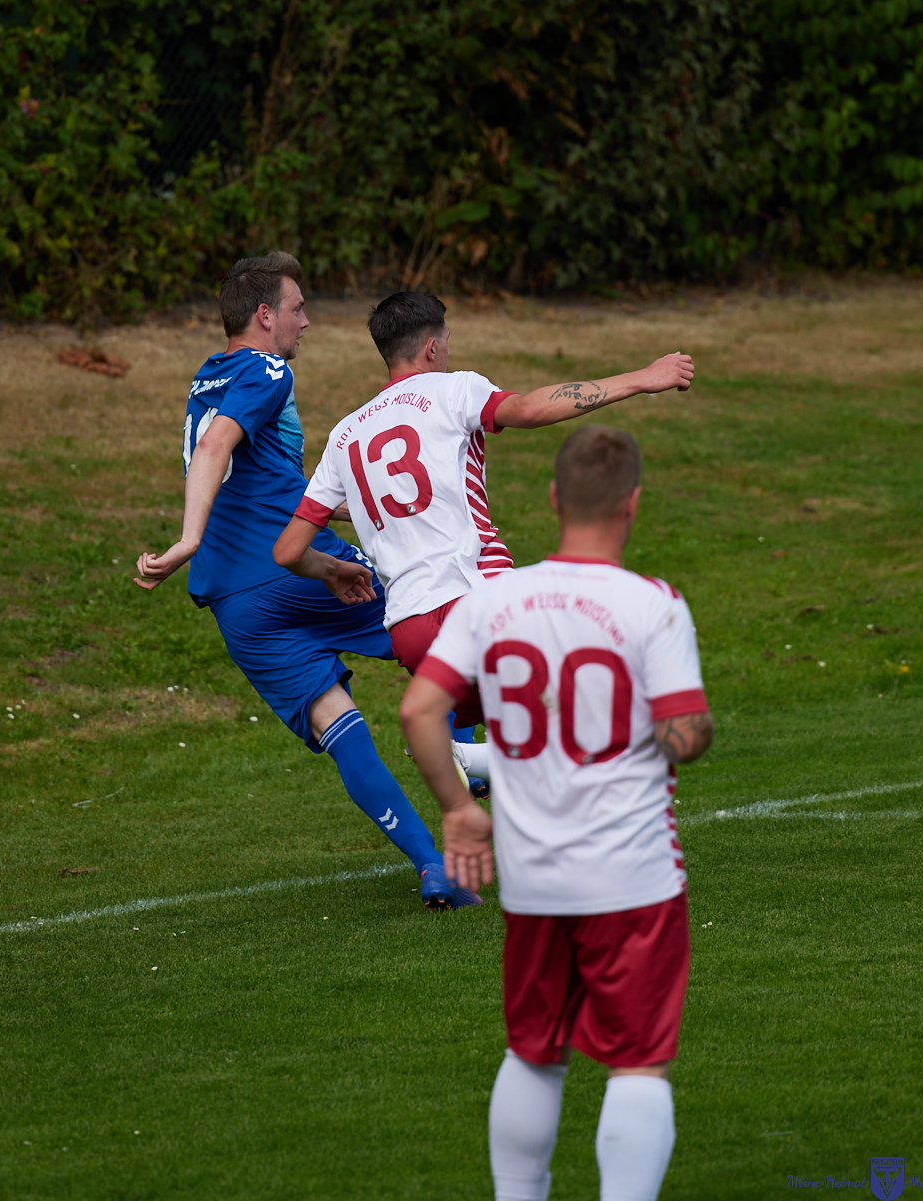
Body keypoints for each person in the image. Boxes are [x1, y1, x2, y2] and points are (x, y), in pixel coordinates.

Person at [399, 425, 712, 1201]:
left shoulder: (491, 601)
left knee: (534, 1050)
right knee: (637, 1061)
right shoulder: (653, 605)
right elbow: (686, 733)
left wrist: (457, 811)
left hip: (535, 878)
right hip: (633, 876)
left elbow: (418, 709)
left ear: (552, 499)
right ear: (632, 504)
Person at [134, 253, 478, 907]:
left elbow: (263, 482)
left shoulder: (205, 380)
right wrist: (187, 538)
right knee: (445, 629)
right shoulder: (267, 370)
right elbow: (214, 449)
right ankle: (470, 761)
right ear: (265, 316)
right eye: (297, 308)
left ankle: (434, 867)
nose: (306, 321)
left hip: (236, 604)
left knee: (340, 728)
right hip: (302, 570)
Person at [270, 290, 693, 787]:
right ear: (432, 347)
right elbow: (530, 409)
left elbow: (289, 550)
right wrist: (643, 378)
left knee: (540, 747)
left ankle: (471, 761)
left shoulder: (345, 436)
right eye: (447, 341)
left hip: (410, 631)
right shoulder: (454, 390)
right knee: (592, 704)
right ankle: (469, 760)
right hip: (477, 601)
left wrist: (332, 570)